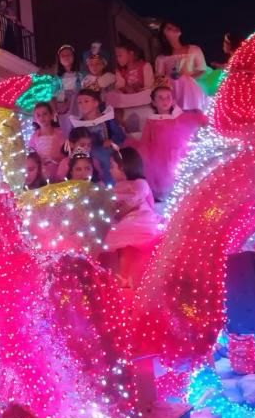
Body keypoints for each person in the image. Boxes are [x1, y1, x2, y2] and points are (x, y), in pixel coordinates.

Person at [136, 84, 207, 202]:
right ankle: (165, 195)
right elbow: (145, 141)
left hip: (179, 152)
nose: (165, 100)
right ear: (154, 102)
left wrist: (203, 120)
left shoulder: (179, 116)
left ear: (173, 100)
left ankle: (181, 194)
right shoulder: (152, 120)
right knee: (164, 178)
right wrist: (145, 157)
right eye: (160, 98)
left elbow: (197, 119)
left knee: (179, 174)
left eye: (168, 97)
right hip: (159, 155)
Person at [104, 149, 162, 288]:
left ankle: (131, 279)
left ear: (123, 167)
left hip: (140, 220)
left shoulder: (139, 183)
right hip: (124, 221)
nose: (110, 170)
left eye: (112, 166)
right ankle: (123, 279)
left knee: (124, 238)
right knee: (121, 245)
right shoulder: (115, 187)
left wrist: (117, 212)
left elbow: (133, 202)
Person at [67, 89, 125, 184]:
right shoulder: (78, 123)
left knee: (104, 156)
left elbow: (120, 136)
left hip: (107, 152)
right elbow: (72, 140)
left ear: (95, 103)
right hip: (85, 154)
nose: (82, 105)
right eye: (79, 102)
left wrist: (111, 141)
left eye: (86, 101)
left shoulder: (106, 119)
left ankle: (109, 185)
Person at [154, 21, 211, 112]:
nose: (173, 28)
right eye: (169, 28)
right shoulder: (162, 58)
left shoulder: (194, 49)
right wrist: (174, 79)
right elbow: (160, 78)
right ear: (164, 36)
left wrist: (186, 79)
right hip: (173, 93)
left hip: (193, 93)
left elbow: (202, 70)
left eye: (173, 25)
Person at [105, 41, 155, 138]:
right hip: (127, 99)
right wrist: (126, 89)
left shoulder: (144, 66)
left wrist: (137, 89)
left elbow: (149, 85)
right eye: (116, 56)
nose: (117, 58)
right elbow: (119, 86)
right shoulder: (120, 70)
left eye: (120, 55)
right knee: (111, 96)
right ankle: (122, 130)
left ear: (131, 53)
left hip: (143, 97)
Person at [28, 102, 65, 182]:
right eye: (38, 115)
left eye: (45, 114)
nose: (42, 118)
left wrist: (54, 159)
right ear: (35, 119)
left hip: (58, 167)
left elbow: (65, 152)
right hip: (42, 169)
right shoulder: (34, 136)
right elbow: (32, 154)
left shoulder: (60, 133)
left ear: (51, 115)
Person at [51, 45, 81, 118]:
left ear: (74, 57)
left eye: (69, 54)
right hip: (63, 108)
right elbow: (52, 96)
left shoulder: (80, 75)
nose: (66, 57)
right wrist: (54, 110)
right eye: (63, 55)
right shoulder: (56, 78)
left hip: (78, 107)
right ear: (59, 59)